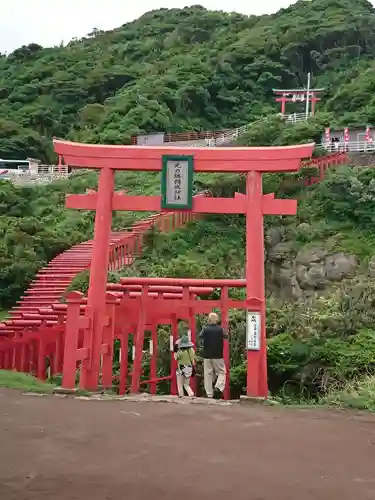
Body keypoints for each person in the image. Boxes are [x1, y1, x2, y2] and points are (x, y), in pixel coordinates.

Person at [199, 312, 228, 398]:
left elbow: (200, 337)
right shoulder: (220, 329)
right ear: (216, 320)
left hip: (207, 355)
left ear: (209, 319)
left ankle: (209, 394)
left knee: (208, 374)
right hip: (217, 355)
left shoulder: (205, 329)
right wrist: (226, 327)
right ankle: (218, 387)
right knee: (222, 372)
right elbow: (226, 336)